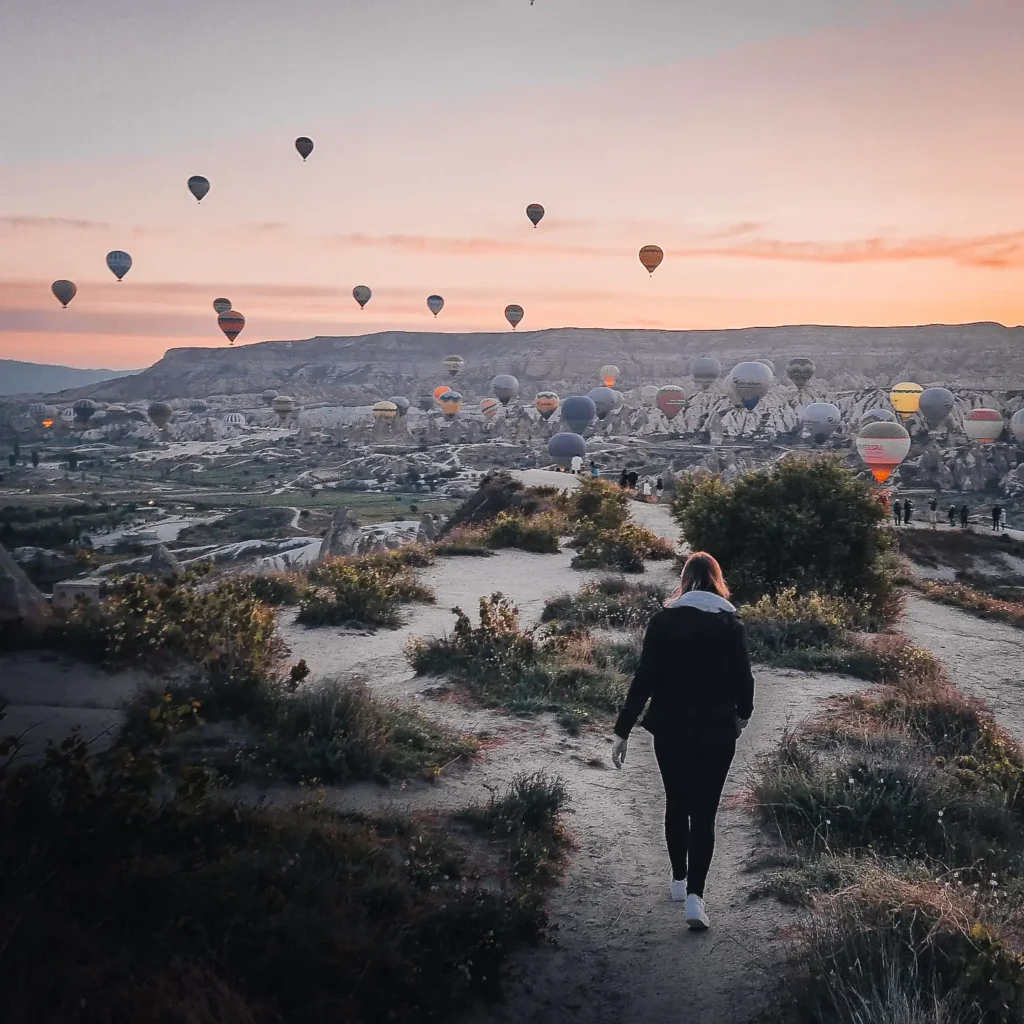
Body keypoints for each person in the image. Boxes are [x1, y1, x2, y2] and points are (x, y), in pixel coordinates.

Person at [611, 552, 754, 932]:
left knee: (676, 801)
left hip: (671, 728)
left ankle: (678, 879)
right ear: (717, 581)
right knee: (705, 812)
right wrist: (743, 714)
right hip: (718, 731)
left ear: (685, 580)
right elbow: (745, 680)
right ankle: (695, 897)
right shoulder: (731, 623)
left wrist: (623, 730)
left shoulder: (664, 620)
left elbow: (644, 679)